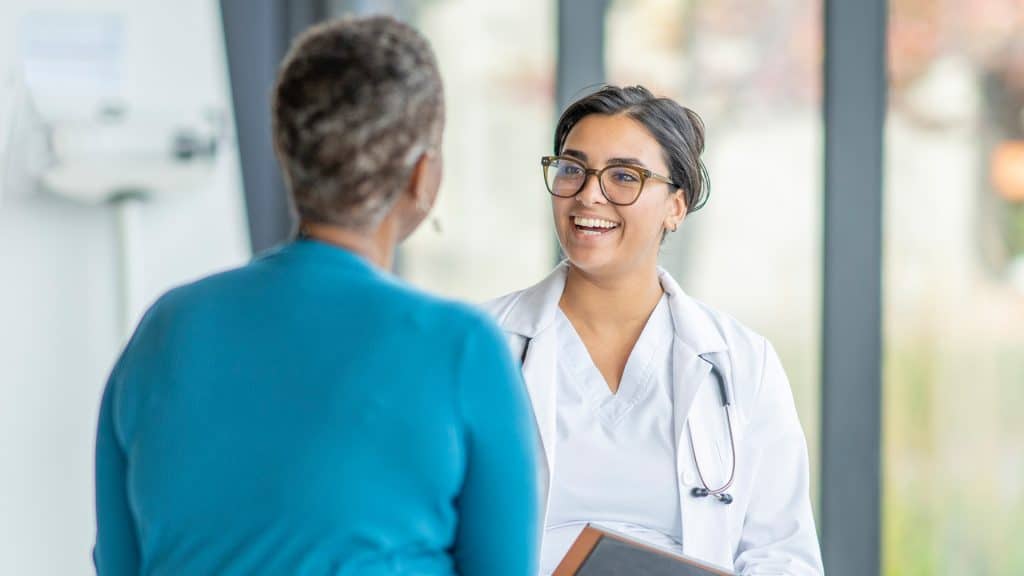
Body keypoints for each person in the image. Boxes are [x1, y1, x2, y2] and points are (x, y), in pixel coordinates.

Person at [93, 16, 539, 576]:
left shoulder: (164, 329)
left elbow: (119, 564)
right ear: (423, 175)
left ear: (287, 154)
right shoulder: (461, 347)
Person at [484, 85, 823, 575]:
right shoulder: (482, 344)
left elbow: (783, 556)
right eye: (573, 168)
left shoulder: (743, 362)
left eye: (625, 176)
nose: (589, 194)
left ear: (676, 206)